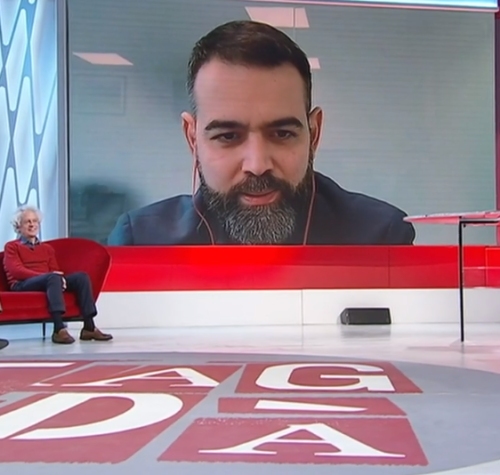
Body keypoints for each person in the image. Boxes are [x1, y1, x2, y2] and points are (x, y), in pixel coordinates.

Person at [108, 20, 416, 246]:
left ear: (314, 134)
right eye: (228, 136)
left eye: (282, 133)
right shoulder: (142, 242)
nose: (257, 165)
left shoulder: (380, 237)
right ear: (193, 139)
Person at [3, 206, 113, 345]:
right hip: (22, 284)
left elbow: (54, 270)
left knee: (81, 278)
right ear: (18, 227)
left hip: (46, 281)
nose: (32, 225)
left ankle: (89, 327)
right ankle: (58, 329)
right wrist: (47, 276)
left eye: (35, 221)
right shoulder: (12, 247)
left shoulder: (47, 249)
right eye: (27, 222)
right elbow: (16, 271)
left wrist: (55, 278)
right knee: (53, 278)